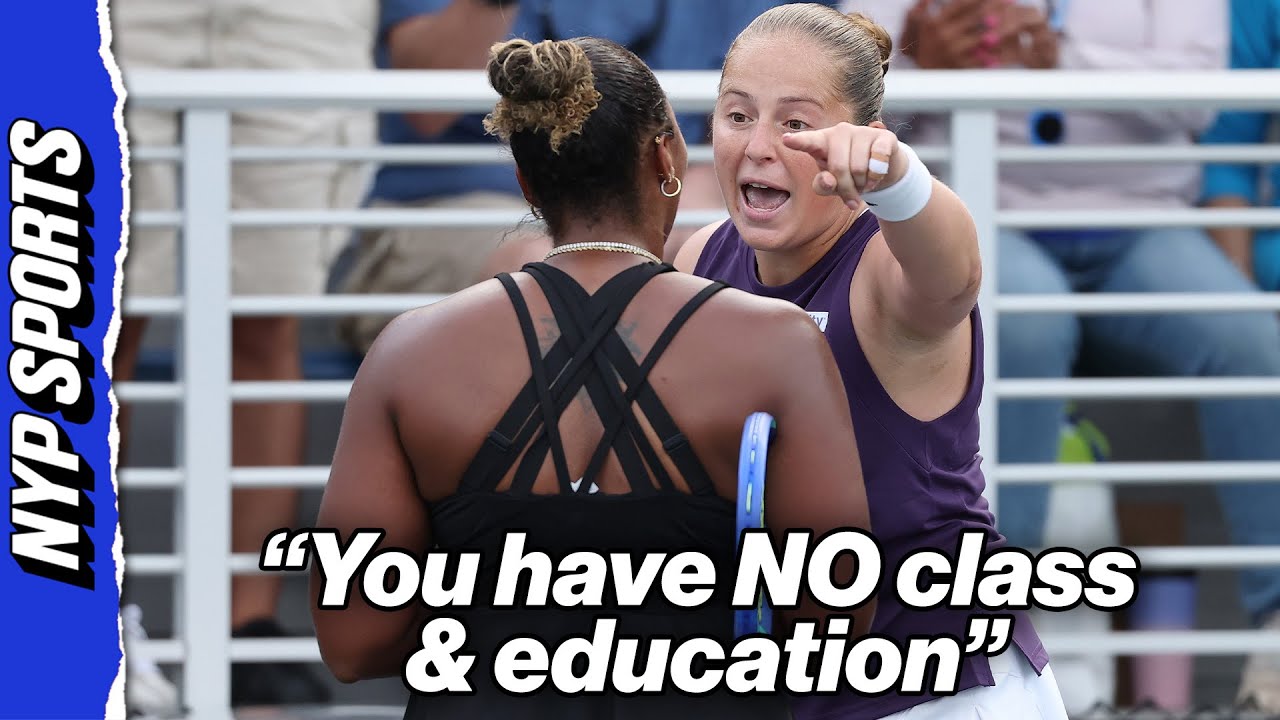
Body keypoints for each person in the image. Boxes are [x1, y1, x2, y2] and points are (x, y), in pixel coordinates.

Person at [311, 36, 876, 719]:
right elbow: (833, 623)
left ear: (527, 183)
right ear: (666, 158)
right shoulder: (776, 345)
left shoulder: (409, 352)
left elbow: (354, 640)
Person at [675, 5, 1067, 718]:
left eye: (795, 124)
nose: (759, 146)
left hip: (940, 692)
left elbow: (955, 274)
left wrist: (899, 179)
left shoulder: (887, 268)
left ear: (861, 139)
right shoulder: (701, 258)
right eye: (737, 115)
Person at [109, 0, 377, 706]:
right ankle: (89, 617)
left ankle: (248, 628)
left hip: (295, 23)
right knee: (102, 323)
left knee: (263, 323)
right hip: (119, 21)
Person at [333, 0, 831, 356]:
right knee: (561, 273)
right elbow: (424, 111)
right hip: (451, 207)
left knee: (708, 253)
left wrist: (698, 189)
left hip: (666, 202)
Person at [1200, 0, 1280, 709]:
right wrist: (1247, 296)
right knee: (1251, 342)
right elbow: (1225, 165)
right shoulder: (1258, 10)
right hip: (1267, 271)